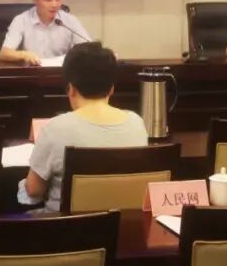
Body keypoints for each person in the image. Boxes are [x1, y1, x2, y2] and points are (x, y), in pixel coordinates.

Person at [19, 42, 149, 211]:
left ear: (71, 89)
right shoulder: (136, 123)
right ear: (111, 89)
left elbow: (33, 190)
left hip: (65, 226)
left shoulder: (56, 128)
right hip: (124, 224)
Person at [0, 0, 91, 66]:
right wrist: (24, 55)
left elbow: (89, 49)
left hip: (60, 72)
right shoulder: (21, 20)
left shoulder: (69, 21)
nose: (54, 4)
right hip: (32, 71)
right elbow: (4, 54)